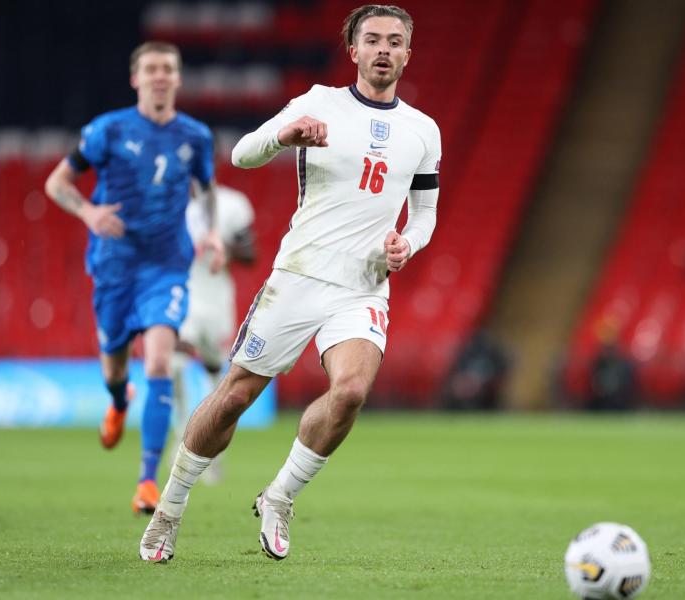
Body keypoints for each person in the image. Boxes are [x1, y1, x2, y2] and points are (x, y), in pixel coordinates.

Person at [139, 4, 441, 563]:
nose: (383, 50)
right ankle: (170, 508)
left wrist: (409, 242)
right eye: (371, 39)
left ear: (406, 52)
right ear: (353, 50)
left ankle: (279, 496)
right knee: (234, 397)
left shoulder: (423, 131)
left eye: (394, 42)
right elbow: (241, 154)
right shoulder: (318, 101)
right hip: (299, 276)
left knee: (350, 391)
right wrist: (284, 134)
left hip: (363, 286)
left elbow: (424, 212)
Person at [44, 41, 224, 515]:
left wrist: (211, 234)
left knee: (161, 363)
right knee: (115, 369)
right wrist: (88, 211)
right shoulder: (108, 130)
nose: (160, 76)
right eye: (151, 69)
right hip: (114, 266)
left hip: (167, 266)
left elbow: (206, 192)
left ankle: (147, 481)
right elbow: (57, 182)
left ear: (178, 78)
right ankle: (117, 400)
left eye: (168, 68)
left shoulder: (196, 136)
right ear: (136, 78)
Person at [171, 182, 256, 483]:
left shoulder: (232, 204)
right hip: (186, 295)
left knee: (216, 380)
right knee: (175, 365)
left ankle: (211, 451)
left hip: (218, 300)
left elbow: (250, 253)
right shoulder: (174, 205)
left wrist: (220, 243)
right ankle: (181, 438)